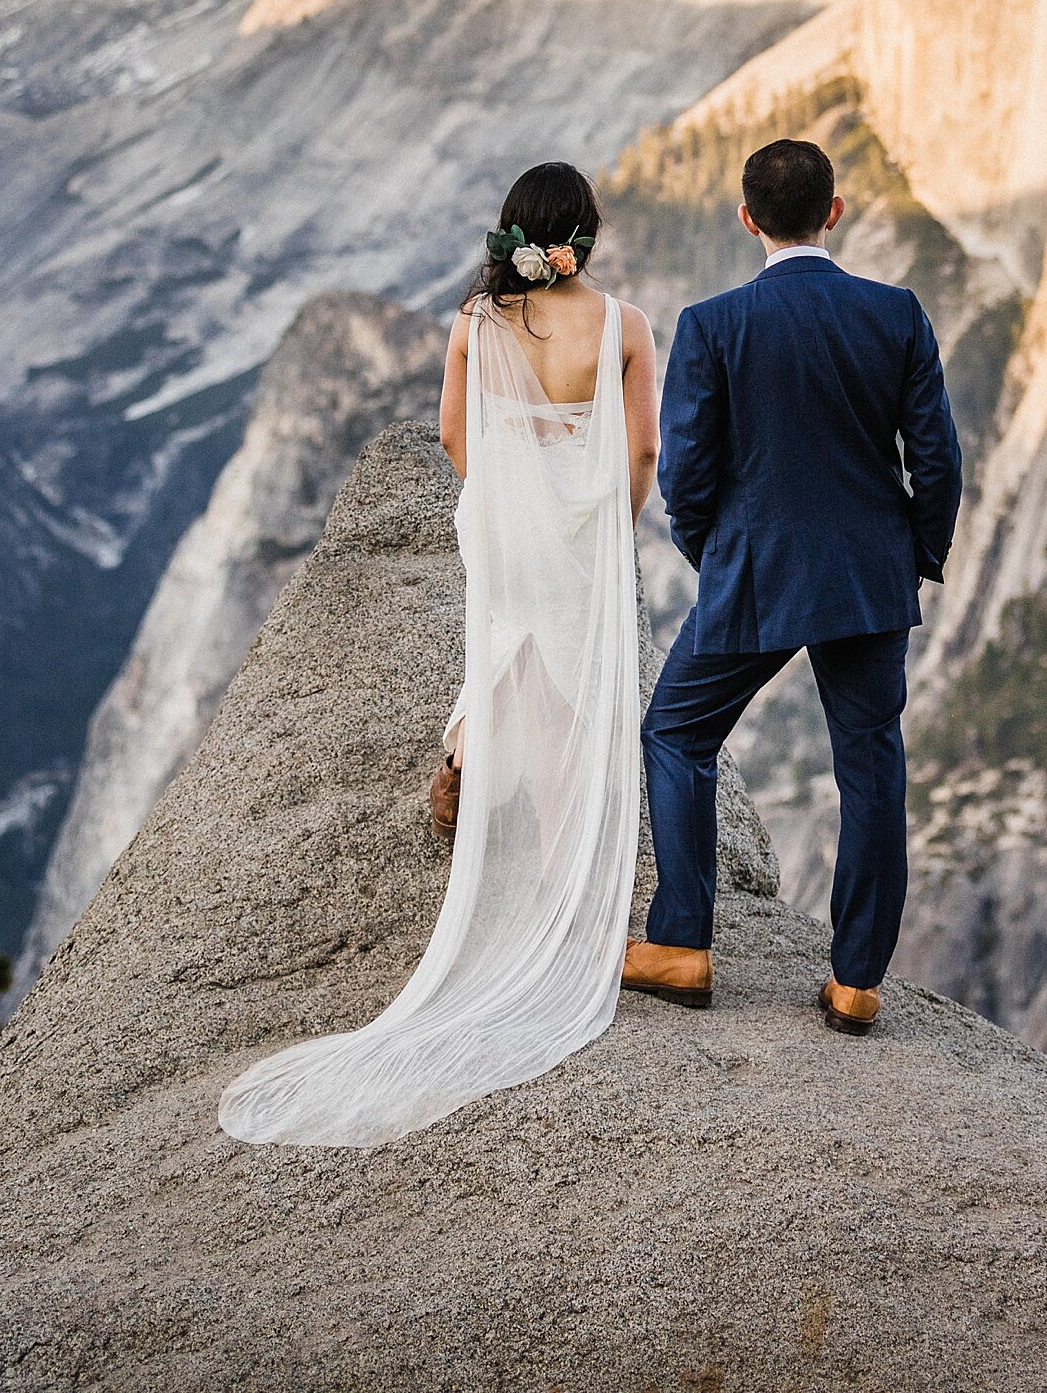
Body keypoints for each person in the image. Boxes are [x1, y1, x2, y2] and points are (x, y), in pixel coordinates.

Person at [218, 162, 659, 1148]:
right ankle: (562, 896)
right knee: (573, 688)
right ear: (584, 237)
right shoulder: (626, 325)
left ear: (514, 235)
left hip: (503, 522)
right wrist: (606, 527)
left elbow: (458, 438)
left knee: (508, 651)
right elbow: (639, 454)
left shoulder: (477, 324)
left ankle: (464, 759)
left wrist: (510, 496)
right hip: (584, 526)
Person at [625, 137, 962, 1036]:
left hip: (756, 569)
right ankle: (856, 981)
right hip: (866, 576)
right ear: (835, 212)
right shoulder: (895, 313)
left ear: (747, 220)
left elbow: (685, 473)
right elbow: (936, 457)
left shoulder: (713, 324)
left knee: (677, 729)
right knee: (870, 763)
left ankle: (684, 946)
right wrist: (914, 555)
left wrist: (716, 550)